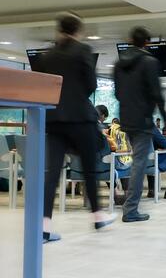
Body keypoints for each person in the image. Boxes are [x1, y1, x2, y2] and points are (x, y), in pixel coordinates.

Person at [39, 13, 115, 242]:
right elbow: (91, 85)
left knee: (52, 174)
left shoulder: (47, 57)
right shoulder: (83, 51)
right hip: (81, 119)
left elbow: (43, 87)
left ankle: (43, 227)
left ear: (58, 30)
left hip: (54, 120)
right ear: (78, 31)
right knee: (90, 169)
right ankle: (97, 216)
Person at [114, 26, 166, 223]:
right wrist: (165, 117)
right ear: (147, 42)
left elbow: (118, 94)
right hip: (143, 120)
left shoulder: (119, 64)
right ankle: (130, 210)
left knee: (136, 160)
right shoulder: (149, 62)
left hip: (126, 120)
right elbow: (156, 93)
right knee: (139, 163)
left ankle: (130, 207)